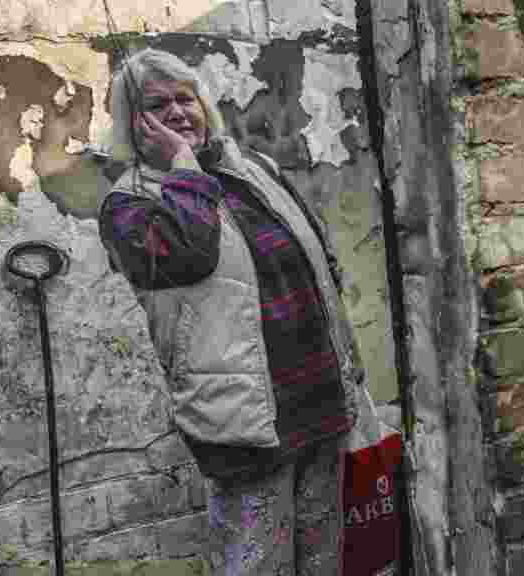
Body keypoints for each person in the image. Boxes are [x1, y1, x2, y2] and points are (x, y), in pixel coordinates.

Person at [97, 48, 372, 575]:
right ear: (136, 124)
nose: (179, 113)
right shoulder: (128, 205)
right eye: (159, 105)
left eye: (186, 99)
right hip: (243, 426)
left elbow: (321, 263)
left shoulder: (255, 171)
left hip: (318, 401)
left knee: (324, 562)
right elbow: (191, 253)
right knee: (254, 565)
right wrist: (182, 167)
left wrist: (349, 371)